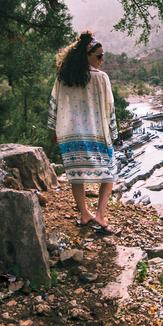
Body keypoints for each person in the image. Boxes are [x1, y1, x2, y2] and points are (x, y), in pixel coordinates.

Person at [48, 31, 118, 234]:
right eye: (99, 56)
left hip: (70, 135)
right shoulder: (101, 78)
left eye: (103, 55)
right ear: (87, 56)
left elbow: (55, 105)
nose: (102, 59)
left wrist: (54, 130)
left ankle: (84, 214)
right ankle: (100, 216)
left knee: (77, 176)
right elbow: (109, 107)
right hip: (96, 135)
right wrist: (113, 131)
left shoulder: (64, 78)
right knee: (109, 173)